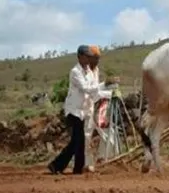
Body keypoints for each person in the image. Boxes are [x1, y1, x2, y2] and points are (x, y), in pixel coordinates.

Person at [47, 44, 117, 174]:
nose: (88, 60)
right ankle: (63, 167)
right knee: (78, 140)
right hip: (73, 110)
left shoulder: (89, 72)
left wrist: (109, 93)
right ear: (79, 57)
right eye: (86, 57)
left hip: (83, 111)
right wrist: (104, 84)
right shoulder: (75, 72)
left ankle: (68, 167)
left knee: (78, 141)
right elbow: (86, 88)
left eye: (90, 57)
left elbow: (94, 92)